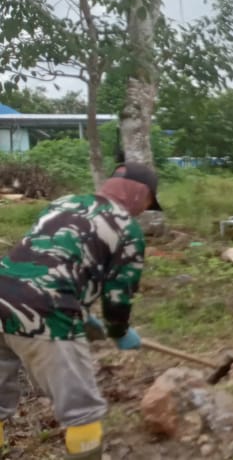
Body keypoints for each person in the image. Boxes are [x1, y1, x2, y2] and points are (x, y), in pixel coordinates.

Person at [0, 163, 161, 460]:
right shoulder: (127, 228)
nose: (145, 208)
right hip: (47, 314)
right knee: (81, 411)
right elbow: (118, 295)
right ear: (142, 195)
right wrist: (119, 331)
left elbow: (52, 256)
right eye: (149, 201)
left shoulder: (65, 202)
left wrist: (83, 314)